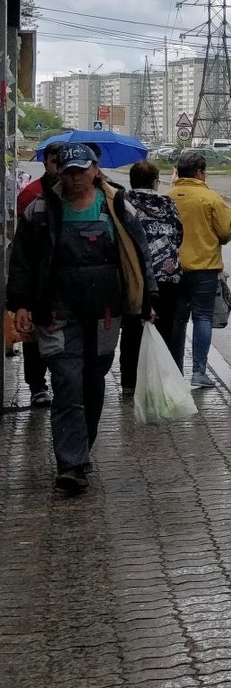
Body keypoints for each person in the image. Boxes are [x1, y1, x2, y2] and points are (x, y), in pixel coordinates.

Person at [6, 143, 156, 495]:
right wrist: (20, 304)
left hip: (105, 313)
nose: (74, 178)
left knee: (93, 380)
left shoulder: (118, 206)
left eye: (81, 171)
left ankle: (81, 450)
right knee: (67, 382)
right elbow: (22, 260)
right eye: (68, 171)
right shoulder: (41, 208)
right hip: (58, 312)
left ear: (95, 170)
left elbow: (140, 254)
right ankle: (70, 463)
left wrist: (148, 299)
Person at [118, 160, 185, 393]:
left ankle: (129, 382)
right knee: (165, 328)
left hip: (135, 276)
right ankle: (158, 382)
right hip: (168, 274)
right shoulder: (168, 203)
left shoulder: (124, 201)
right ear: (156, 182)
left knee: (132, 329)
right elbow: (178, 234)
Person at [170, 149, 231, 387]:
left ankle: (175, 371)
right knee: (203, 317)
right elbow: (227, 232)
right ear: (200, 173)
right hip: (205, 269)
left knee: (177, 320)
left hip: (173, 270)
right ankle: (199, 372)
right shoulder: (211, 199)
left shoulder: (168, 196)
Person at [16, 144, 64, 407]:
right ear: (46, 163)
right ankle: (37, 385)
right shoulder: (32, 193)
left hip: (66, 282)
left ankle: (62, 382)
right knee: (34, 337)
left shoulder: (78, 194)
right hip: (38, 279)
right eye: (55, 161)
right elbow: (23, 246)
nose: (60, 167)